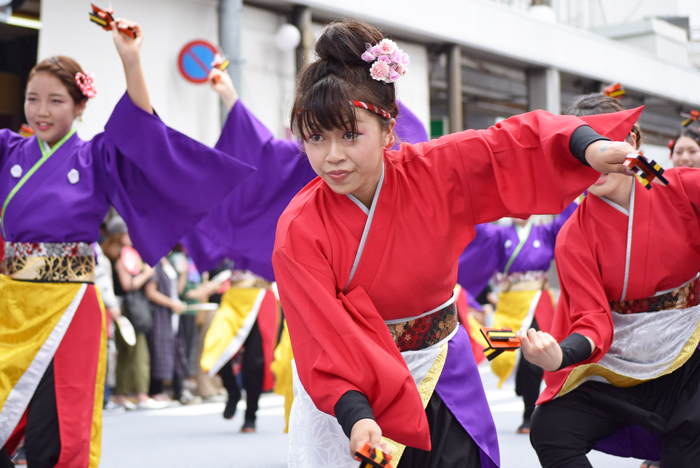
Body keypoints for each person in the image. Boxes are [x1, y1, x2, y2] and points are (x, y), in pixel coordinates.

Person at [271, 20, 641, 468]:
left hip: (442, 369)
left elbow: (510, 144)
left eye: (351, 134)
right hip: (355, 392)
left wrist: (584, 146)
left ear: (389, 130)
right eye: (316, 137)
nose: (332, 155)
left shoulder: (433, 172)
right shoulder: (299, 227)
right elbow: (319, 336)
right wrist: (354, 412)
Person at [0, 16, 254, 468]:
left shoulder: (95, 155)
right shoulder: (7, 151)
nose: (40, 110)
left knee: (53, 432)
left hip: (70, 308)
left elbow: (140, 129)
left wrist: (130, 58)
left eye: (56, 100)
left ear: (80, 107)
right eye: (32, 98)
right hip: (11, 305)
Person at [521, 93, 700, 467]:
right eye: (580, 153)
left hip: (691, 361)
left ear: (632, 141)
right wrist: (560, 354)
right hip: (620, 367)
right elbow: (592, 320)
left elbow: (657, 179)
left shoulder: (678, 189)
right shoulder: (574, 234)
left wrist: (648, 171)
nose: (591, 162)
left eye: (605, 144)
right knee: (551, 428)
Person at [457, 205, 578, 434]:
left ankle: (529, 414)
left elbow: (567, 219)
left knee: (532, 355)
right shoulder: (500, 235)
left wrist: (575, 189)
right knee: (505, 354)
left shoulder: (545, 232)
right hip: (509, 307)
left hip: (537, 304)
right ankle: (523, 387)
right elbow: (478, 231)